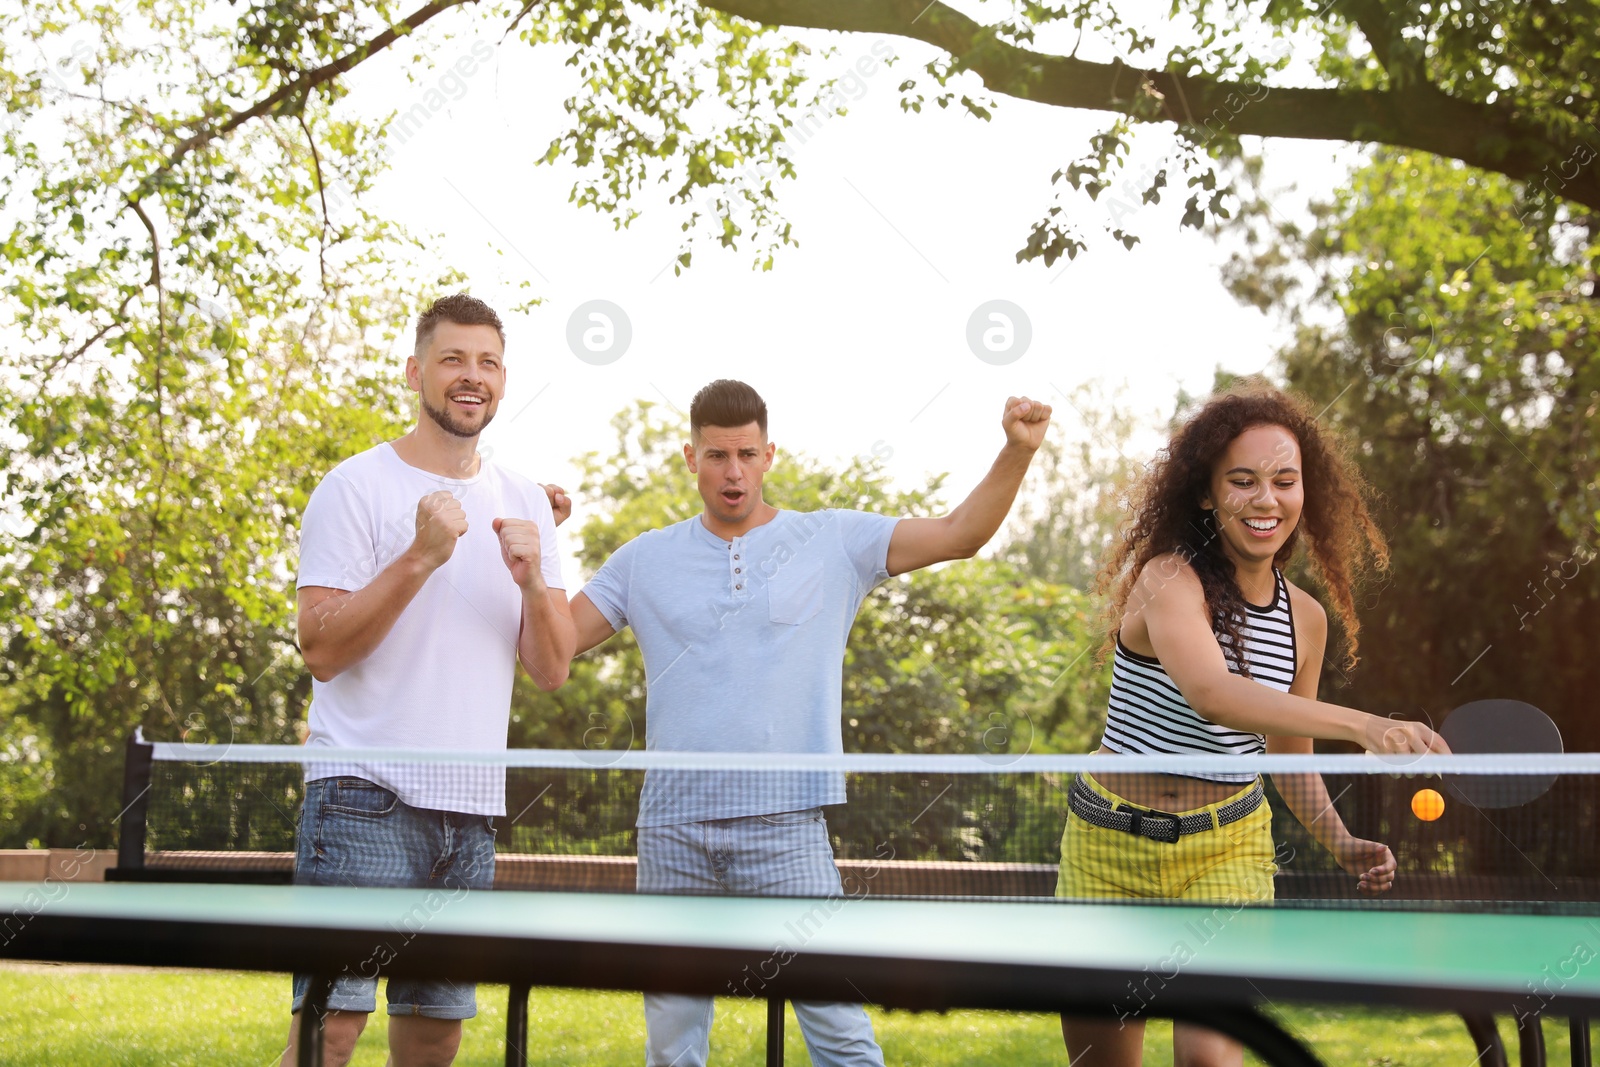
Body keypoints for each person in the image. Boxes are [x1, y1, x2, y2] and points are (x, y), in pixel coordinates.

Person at [568, 379, 1052, 1067]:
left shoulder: (833, 539)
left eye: (745, 454)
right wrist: (533, 558)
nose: (731, 471)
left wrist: (1016, 449)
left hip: (786, 822)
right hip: (671, 821)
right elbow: (553, 643)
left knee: (843, 1038)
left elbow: (959, 533)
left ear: (769, 454)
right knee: (671, 1050)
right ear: (689, 458)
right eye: (715, 455)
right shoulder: (642, 558)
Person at [1056, 381, 1448, 1067]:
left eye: (1284, 481)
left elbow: (1287, 752)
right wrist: (1362, 724)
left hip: (1228, 850)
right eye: (1243, 481)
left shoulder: (1308, 620)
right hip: (1107, 849)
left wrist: (1340, 839)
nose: (1266, 500)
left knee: (1211, 1059)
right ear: (1207, 494)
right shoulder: (1165, 579)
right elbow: (1214, 692)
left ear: (1305, 493)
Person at [282, 293, 575, 1067]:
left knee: (433, 1042)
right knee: (329, 1032)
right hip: (359, 797)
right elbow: (320, 650)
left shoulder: (526, 505)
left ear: (503, 381)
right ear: (416, 371)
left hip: (470, 811)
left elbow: (551, 668)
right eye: (452, 359)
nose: (470, 376)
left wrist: (535, 581)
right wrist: (417, 556)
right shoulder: (354, 486)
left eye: (487, 363)